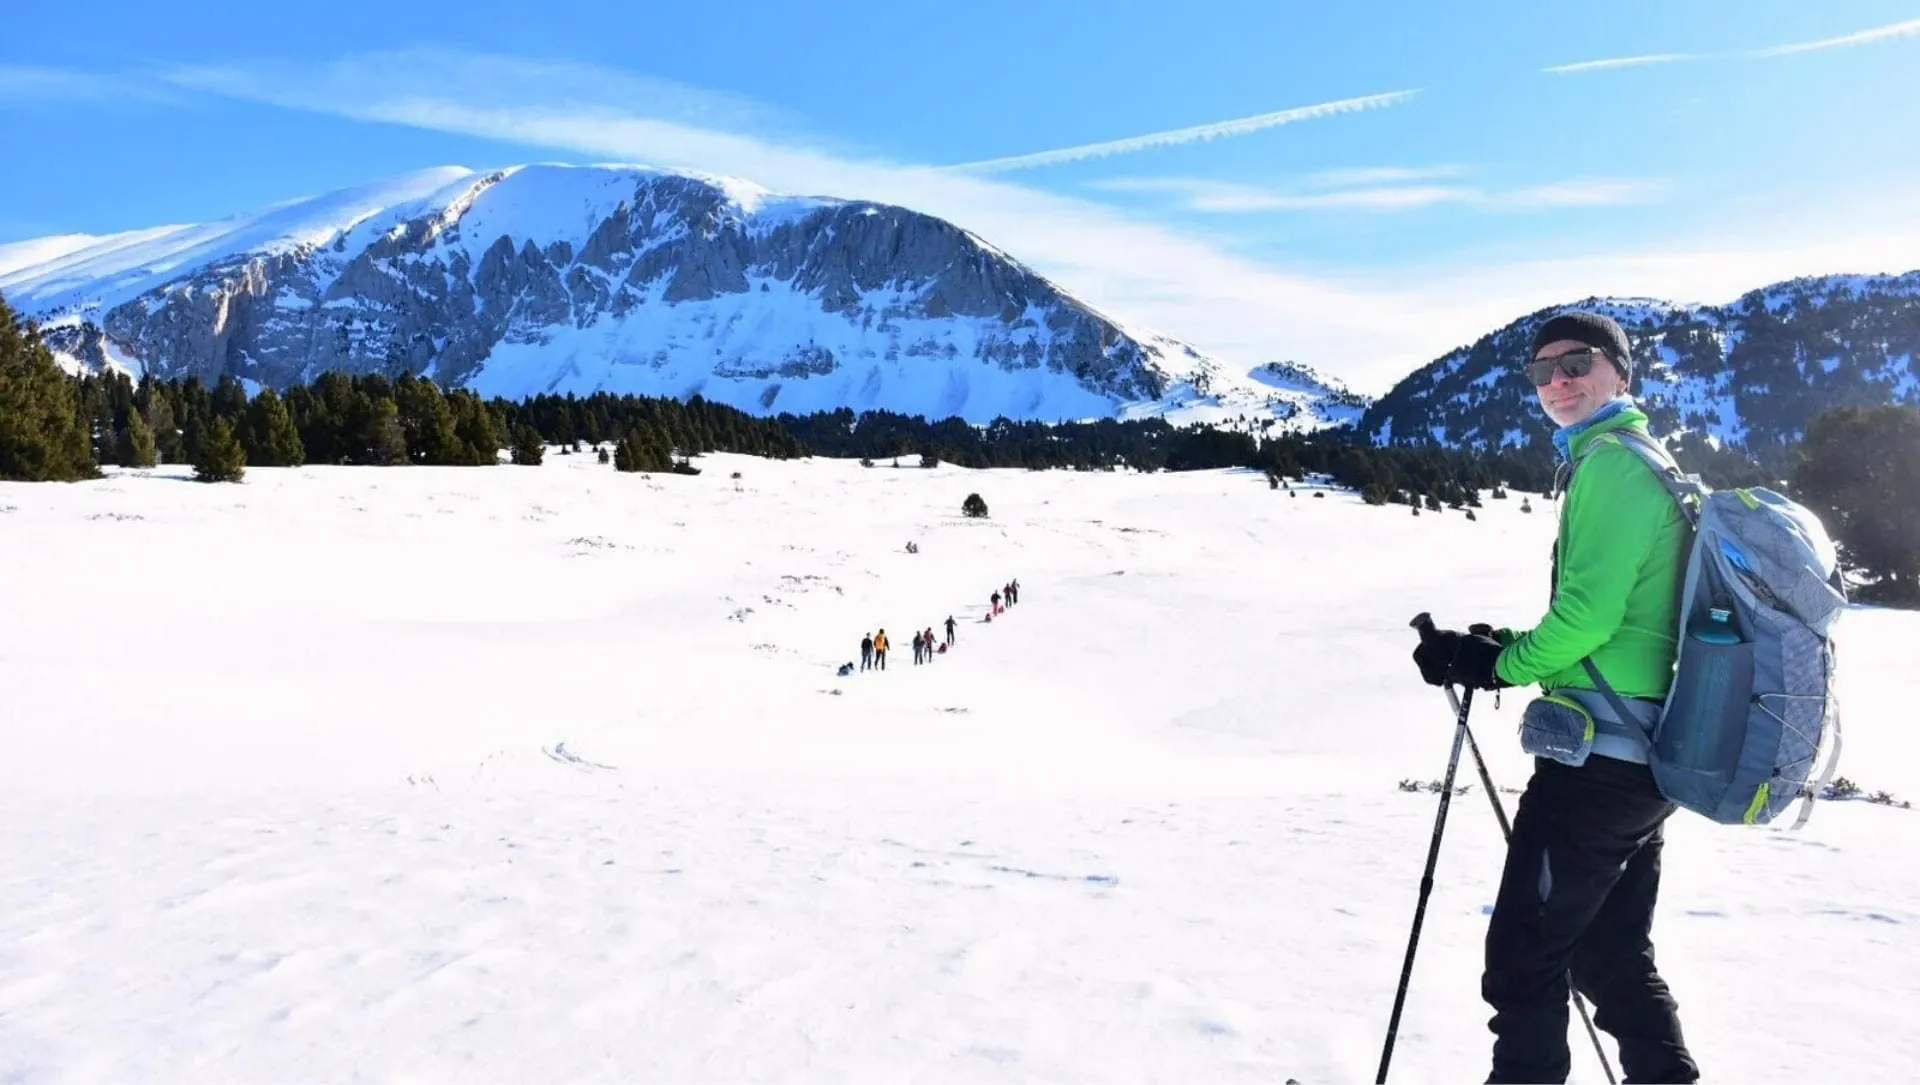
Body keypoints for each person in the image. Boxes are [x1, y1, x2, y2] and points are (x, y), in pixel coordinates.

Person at [1411, 311, 1698, 1084]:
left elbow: (1588, 619)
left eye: (1577, 362)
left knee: (1523, 960)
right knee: (1610, 956)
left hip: (1596, 769)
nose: (1559, 381)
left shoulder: (1612, 465)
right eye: (1543, 371)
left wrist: (1499, 667)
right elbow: (1617, 625)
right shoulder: (1643, 461)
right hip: (1641, 757)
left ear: (1620, 372)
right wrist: (1496, 647)